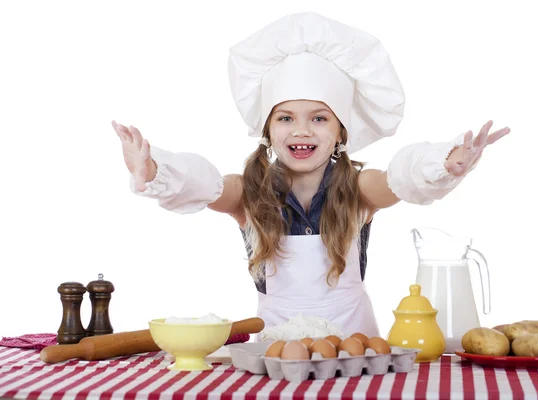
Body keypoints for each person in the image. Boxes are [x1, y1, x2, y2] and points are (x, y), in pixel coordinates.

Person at [111, 12, 509, 338]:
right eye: (286, 118)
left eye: (319, 118)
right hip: (275, 355)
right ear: (268, 131)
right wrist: (155, 171)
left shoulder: (359, 189)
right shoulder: (248, 193)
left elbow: (399, 180)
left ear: (340, 133)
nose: (301, 130)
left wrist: (443, 164)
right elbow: (205, 184)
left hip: (357, 352)